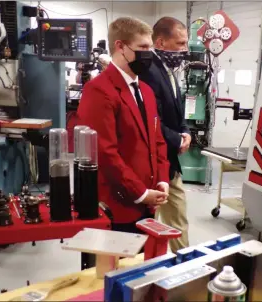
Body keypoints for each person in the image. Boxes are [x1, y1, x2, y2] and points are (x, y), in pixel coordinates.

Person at [77, 17, 170, 233]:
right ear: (120, 46)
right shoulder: (99, 90)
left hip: (148, 204)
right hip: (117, 207)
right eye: (143, 47)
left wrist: (162, 181)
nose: (149, 54)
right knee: (115, 266)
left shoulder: (145, 91)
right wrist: (140, 193)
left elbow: (157, 141)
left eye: (150, 47)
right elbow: (105, 152)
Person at [139, 17, 190, 253]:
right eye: (180, 43)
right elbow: (151, 119)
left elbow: (176, 110)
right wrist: (176, 139)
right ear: (160, 42)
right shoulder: (149, 71)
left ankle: (188, 268)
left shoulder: (169, 70)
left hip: (170, 160)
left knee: (177, 217)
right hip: (153, 161)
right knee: (149, 219)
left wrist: (185, 132)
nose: (185, 50)